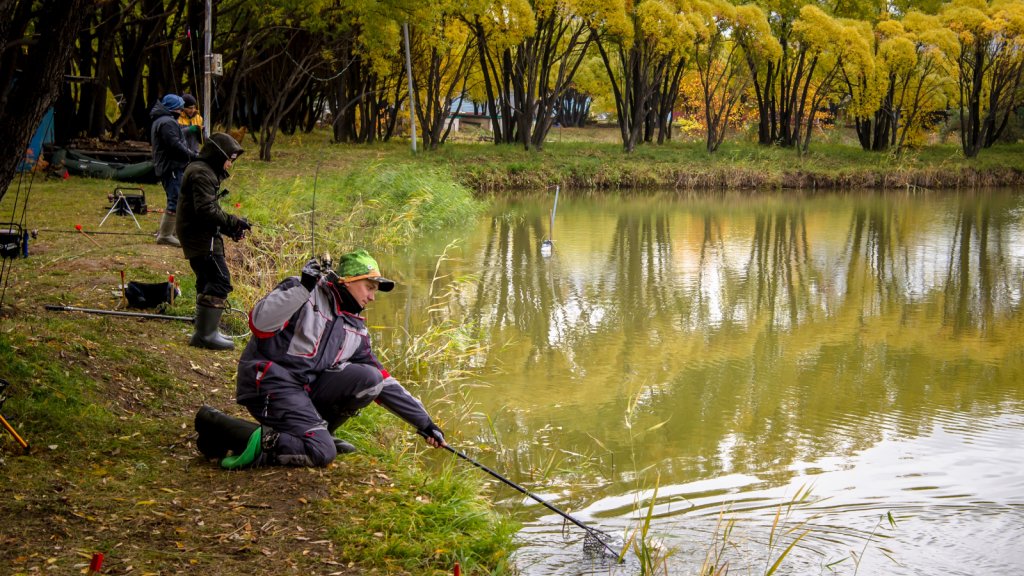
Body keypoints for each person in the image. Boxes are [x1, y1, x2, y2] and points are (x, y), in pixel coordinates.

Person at [194, 250, 446, 468]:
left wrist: (425, 423)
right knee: (322, 453)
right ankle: (219, 427)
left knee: (369, 379)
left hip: (302, 391)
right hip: (269, 381)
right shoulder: (304, 290)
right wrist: (303, 287)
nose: (372, 297)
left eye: (375, 290)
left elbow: (383, 380)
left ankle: (315, 432)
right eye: (369, 287)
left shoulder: (355, 328)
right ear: (347, 281)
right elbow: (259, 323)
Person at [175, 132, 251, 350]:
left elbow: (209, 210)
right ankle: (205, 335)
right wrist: (233, 221)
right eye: (229, 159)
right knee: (219, 279)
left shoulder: (206, 171)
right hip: (198, 235)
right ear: (218, 156)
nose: (230, 164)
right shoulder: (201, 173)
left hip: (200, 232)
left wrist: (231, 228)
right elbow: (206, 211)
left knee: (207, 277)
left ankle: (204, 329)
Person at [150, 93, 198, 246]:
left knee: (180, 197)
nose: (181, 111)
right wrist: (193, 155)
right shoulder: (167, 123)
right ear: (173, 109)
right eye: (179, 108)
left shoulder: (163, 120)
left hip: (172, 166)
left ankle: (175, 231)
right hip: (171, 166)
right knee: (175, 199)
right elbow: (175, 145)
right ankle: (165, 235)